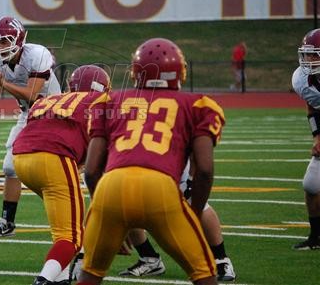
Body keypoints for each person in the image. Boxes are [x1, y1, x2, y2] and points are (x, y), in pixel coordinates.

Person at [77, 37, 223, 285]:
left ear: (135, 72)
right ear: (180, 71)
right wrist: (194, 212)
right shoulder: (199, 104)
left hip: (111, 188)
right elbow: (205, 170)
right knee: (203, 274)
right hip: (160, 188)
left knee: (89, 275)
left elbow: (91, 171)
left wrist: (106, 213)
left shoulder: (109, 101)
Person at [13, 65, 110, 285]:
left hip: (21, 158)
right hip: (54, 157)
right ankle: (43, 280)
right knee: (71, 237)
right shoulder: (99, 101)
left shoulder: (49, 99)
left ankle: (61, 277)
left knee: (64, 228)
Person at [0, 16, 61, 238]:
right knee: (10, 168)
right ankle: (7, 222)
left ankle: (69, 211)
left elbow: (32, 94)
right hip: (28, 114)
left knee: (54, 171)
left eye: (4, 41)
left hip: (53, 113)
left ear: (18, 39)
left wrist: (3, 83)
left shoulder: (37, 55)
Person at [291, 28, 320, 250]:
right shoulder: (302, 79)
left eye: (314, 54)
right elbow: (312, 106)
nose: (308, 59)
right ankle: (316, 237)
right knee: (311, 184)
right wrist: (317, 136)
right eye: (306, 54)